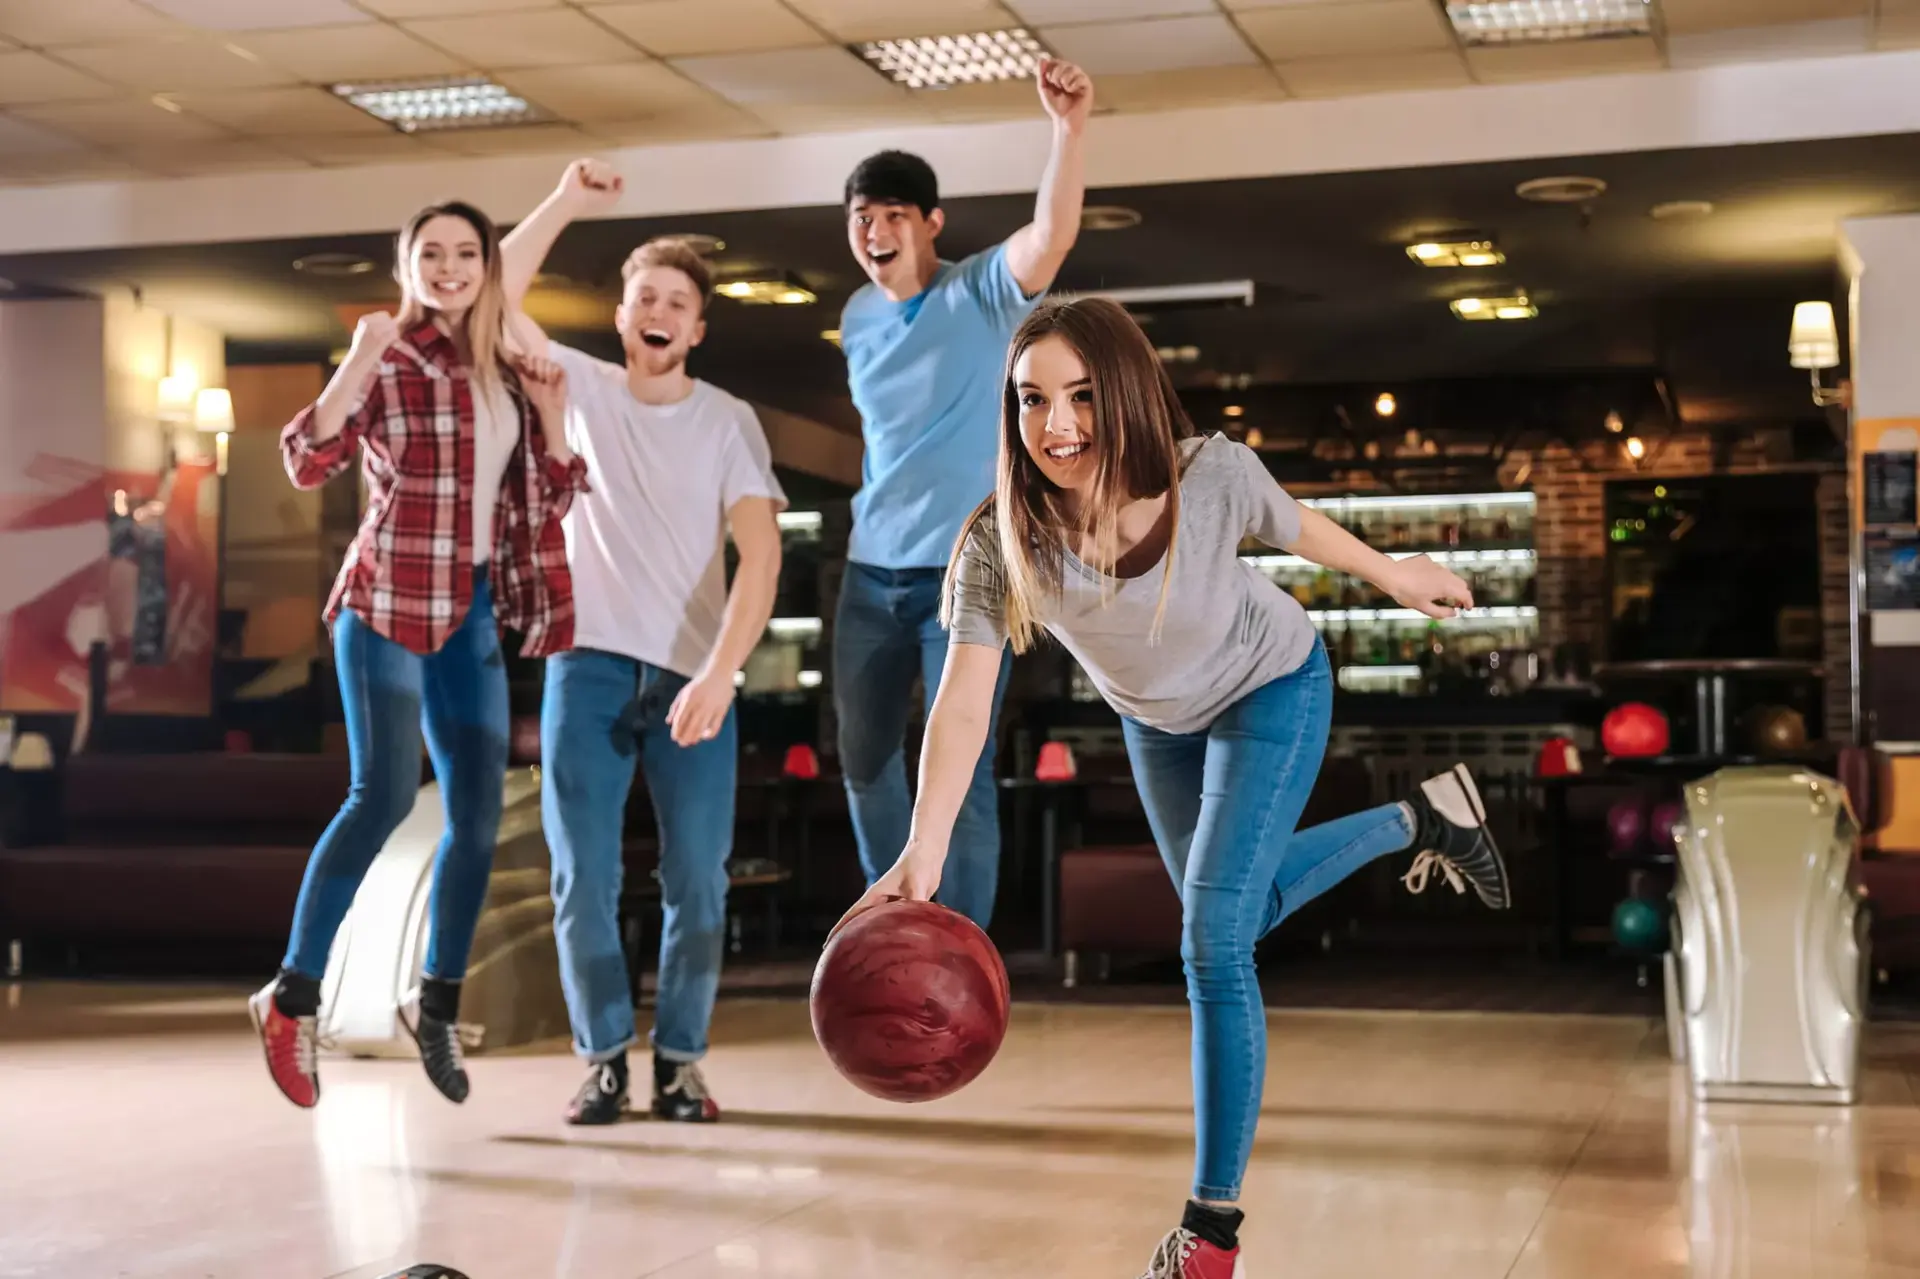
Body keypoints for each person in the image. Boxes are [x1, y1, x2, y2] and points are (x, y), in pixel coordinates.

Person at [843, 298, 1512, 1279]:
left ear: (1124, 394)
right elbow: (961, 703)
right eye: (1032, 400)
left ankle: (1211, 1231)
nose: (1057, 425)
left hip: (1273, 689)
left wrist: (1392, 573)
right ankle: (1425, 817)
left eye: (1080, 396)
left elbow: (1299, 527)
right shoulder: (999, 540)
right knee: (1226, 921)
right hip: (1158, 724)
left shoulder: (1211, 475)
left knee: (1210, 942)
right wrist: (923, 849)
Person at [252, 200, 587, 1110]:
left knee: (478, 813)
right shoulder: (391, 353)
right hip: (386, 599)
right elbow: (308, 457)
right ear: (407, 265)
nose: (449, 267)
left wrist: (553, 413)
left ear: (488, 266)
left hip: (472, 608)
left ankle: (434, 1002)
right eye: (429, 253)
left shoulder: (508, 368)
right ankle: (292, 997)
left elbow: (549, 499)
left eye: (465, 253)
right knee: (387, 793)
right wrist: (359, 351)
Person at [500, 161, 787, 1125]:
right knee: (582, 875)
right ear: (622, 316)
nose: (659, 312)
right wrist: (568, 200)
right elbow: (492, 298)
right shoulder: (579, 385)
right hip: (584, 667)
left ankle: (682, 1060)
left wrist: (720, 671)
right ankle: (602, 1058)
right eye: (644, 298)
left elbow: (761, 555)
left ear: (697, 328)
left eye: (677, 302)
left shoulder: (727, 422)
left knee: (697, 878)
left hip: (692, 679)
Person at [833, 56, 1094, 929]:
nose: (875, 231)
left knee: (960, 760)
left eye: (894, 216)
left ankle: (960, 944)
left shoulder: (980, 291)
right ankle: (894, 919)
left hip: (967, 570)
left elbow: (1048, 237)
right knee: (866, 757)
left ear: (931, 224)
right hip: (871, 573)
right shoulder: (859, 317)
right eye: (862, 218)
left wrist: (1067, 130)